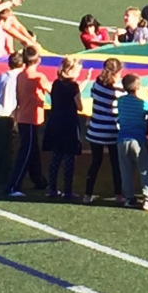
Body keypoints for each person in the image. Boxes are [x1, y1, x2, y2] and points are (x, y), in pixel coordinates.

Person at [6, 46, 50, 197]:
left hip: (24, 116)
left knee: (33, 150)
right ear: (38, 60)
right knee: (26, 152)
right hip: (31, 118)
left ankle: (39, 180)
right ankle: (13, 186)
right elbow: (53, 90)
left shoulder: (21, 76)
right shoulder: (38, 77)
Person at [43, 57, 88, 199]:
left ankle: (52, 188)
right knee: (69, 157)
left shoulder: (56, 83)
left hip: (55, 121)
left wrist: (85, 81)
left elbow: (70, 92)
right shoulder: (73, 87)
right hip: (69, 123)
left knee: (56, 157)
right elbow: (79, 105)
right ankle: (67, 190)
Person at [83, 58, 125, 205]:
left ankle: (87, 194)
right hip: (112, 131)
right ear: (117, 72)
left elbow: (93, 97)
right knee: (116, 164)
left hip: (95, 130)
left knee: (95, 163)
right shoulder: (119, 90)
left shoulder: (97, 84)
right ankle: (119, 194)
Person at [0, 52, 24, 185]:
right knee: (5, 149)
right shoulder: (18, 78)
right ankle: (5, 177)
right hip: (4, 115)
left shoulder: (1, 76)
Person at [117, 74, 148, 211]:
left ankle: (129, 198)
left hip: (122, 140)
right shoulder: (143, 103)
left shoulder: (121, 101)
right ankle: (147, 199)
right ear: (138, 87)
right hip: (138, 140)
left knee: (126, 171)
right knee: (144, 169)